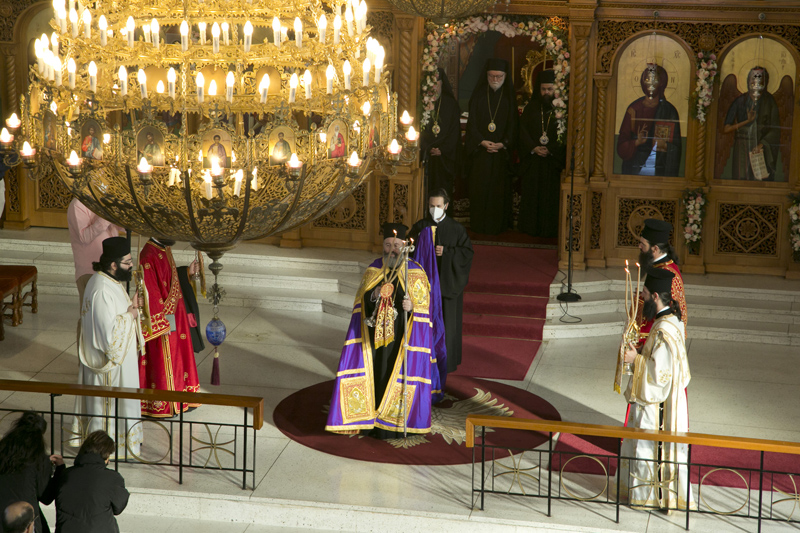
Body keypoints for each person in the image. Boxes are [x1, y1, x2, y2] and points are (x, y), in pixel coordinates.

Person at [325, 223, 438, 438]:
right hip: (373, 340)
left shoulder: (415, 272)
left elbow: (425, 311)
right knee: (376, 374)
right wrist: (374, 294)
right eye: (388, 244)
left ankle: (393, 421)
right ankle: (369, 417)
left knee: (394, 374)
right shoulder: (374, 269)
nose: (392, 249)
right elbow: (361, 303)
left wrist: (412, 308)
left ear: (404, 246)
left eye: (396, 244)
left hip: (401, 339)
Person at [620, 267, 694, 510]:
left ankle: (650, 499)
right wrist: (641, 351)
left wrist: (635, 359)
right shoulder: (669, 319)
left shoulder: (664, 330)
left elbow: (659, 375)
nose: (641, 298)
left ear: (655, 297)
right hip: (665, 400)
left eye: (644, 293)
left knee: (647, 450)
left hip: (659, 407)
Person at [71, 237, 143, 456]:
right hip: (109, 368)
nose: (131, 266)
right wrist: (131, 314)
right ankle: (106, 450)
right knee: (107, 412)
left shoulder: (110, 281)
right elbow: (109, 339)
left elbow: (117, 315)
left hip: (121, 362)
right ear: (113, 264)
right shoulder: (101, 289)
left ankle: (124, 444)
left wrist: (132, 305)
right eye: (127, 262)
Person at [410, 189, 473, 373]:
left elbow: (467, 253)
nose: (434, 209)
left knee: (447, 324)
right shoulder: (421, 226)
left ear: (446, 206)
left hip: (447, 284)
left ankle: (447, 360)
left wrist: (447, 252)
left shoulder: (456, 229)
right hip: (424, 286)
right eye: (431, 206)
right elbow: (410, 247)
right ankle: (422, 358)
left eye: (438, 206)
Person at [138, 238, 201, 417]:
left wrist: (187, 272)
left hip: (176, 317)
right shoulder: (147, 256)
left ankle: (182, 397)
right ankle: (165, 404)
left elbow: (168, 278)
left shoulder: (164, 248)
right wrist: (161, 322)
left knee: (179, 359)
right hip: (164, 319)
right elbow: (150, 289)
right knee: (165, 360)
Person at [464, 58, 517, 235]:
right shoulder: (479, 96)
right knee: (480, 190)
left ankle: (498, 226)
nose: (495, 79)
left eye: (499, 76)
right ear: (486, 76)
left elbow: (514, 125)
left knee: (498, 191)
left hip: (501, 155)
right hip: (481, 154)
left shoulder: (509, 98)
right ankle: (479, 225)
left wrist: (504, 144)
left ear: (505, 76)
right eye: (492, 76)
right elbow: (471, 125)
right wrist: (482, 141)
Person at [44, 431, 129, 533]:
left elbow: (46, 497)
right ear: (105, 455)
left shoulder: (65, 475)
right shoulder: (112, 478)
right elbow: (118, 508)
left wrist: (60, 468)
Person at [518, 70, 566, 238]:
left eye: (550, 89)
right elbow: (522, 132)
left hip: (552, 163)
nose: (546, 93)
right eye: (544, 89)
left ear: (556, 89)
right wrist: (533, 147)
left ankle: (549, 230)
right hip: (533, 162)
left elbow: (565, 136)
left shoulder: (562, 110)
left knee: (550, 198)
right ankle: (531, 228)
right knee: (532, 195)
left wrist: (550, 150)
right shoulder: (531, 108)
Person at [0, 412, 65, 533]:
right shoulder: (39, 459)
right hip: (25, 518)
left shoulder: (2, 452)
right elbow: (46, 497)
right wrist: (59, 470)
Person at [616, 64, 681, 177]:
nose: (650, 84)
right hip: (634, 170)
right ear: (642, 82)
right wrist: (636, 142)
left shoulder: (669, 111)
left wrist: (662, 145)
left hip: (659, 171)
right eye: (647, 79)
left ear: (662, 83)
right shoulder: (633, 110)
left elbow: (677, 148)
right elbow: (621, 147)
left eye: (654, 80)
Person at [722, 66, 781, 181]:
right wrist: (747, 121)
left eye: (760, 79)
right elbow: (726, 129)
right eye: (753, 79)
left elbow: (775, 129)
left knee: (759, 180)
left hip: (760, 148)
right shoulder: (740, 101)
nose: (756, 82)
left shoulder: (770, 101)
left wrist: (762, 144)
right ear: (748, 80)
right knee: (741, 177)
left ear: (765, 82)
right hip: (741, 148)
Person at [636, 219, 687, 346]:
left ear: (655, 249)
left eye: (643, 244)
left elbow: (665, 312)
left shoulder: (668, 274)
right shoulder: (659, 264)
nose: (639, 247)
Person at [67, 198, 122, 309]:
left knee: (111, 313)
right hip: (91, 269)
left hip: (112, 265)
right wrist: (106, 215)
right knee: (90, 316)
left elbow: (123, 228)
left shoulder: (103, 199)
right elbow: (85, 237)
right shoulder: (78, 204)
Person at [420, 68, 461, 200]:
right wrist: (427, 147)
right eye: (431, 85)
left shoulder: (451, 104)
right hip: (427, 157)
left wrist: (442, 150)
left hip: (444, 159)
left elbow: (455, 132)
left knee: (443, 191)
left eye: (436, 84)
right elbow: (416, 130)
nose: (434, 89)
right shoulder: (422, 103)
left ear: (442, 84)